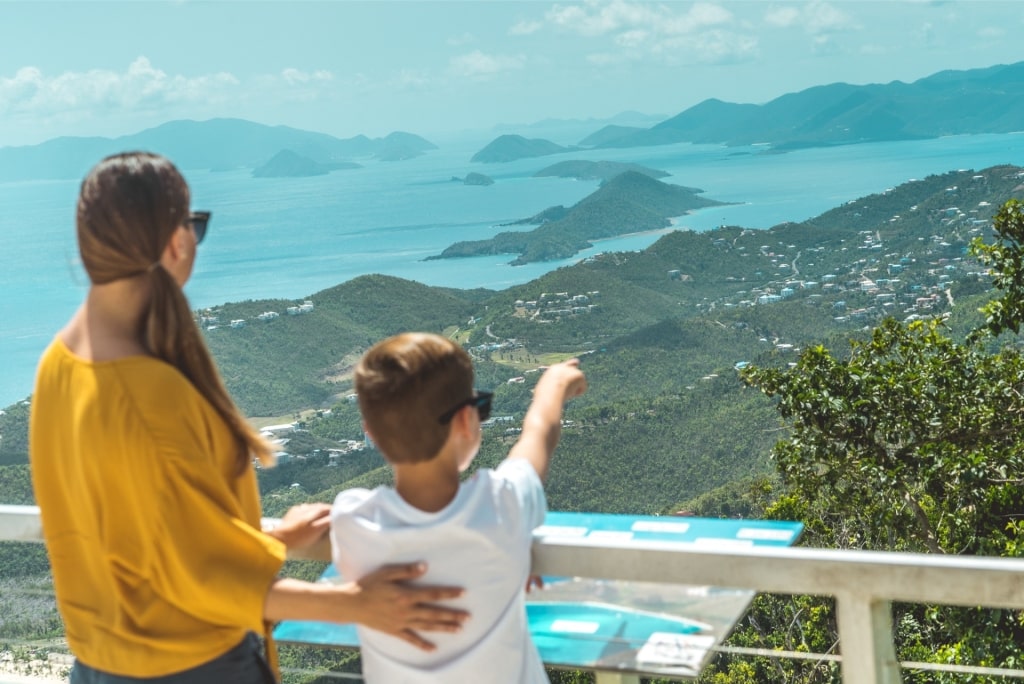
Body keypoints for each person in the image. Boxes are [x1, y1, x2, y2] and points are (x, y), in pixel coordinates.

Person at [29, 152, 468, 684]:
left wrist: (274, 540)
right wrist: (358, 605)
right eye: (195, 225)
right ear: (176, 243)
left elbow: (141, 537)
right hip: (189, 668)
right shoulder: (151, 392)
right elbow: (198, 578)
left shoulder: (59, 363)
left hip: (98, 665)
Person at [330, 332, 587, 683]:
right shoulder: (502, 506)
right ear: (466, 421)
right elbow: (539, 434)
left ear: (370, 433)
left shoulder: (351, 520)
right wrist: (553, 386)